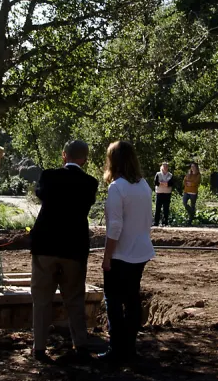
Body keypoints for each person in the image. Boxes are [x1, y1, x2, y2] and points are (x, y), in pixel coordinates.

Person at [26, 139, 100, 364]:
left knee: (41, 299)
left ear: (63, 155)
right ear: (85, 159)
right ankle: (81, 345)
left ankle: (39, 348)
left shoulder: (49, 176)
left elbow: (41, 194)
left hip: (46, 245)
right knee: (75, 299)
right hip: (74, 248)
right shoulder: (90, 183)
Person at [100, 140, 154, 365]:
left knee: (113, 301)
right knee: (132, 301)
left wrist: (106, 256)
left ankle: (116, 349)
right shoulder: (144, 185)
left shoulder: (117, 187)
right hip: (141, 251)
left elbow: (115, 226)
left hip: (121, 253)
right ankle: (130, 349)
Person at [153, 161, 174, 226]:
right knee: (158, 208)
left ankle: (165, 222)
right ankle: (156, 222)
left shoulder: (170, 175)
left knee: (166, 208)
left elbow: (171, 183)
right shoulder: (158, 174)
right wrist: (162, 183)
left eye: (166, 166)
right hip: (159, 192)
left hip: (167, 193)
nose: (165, 168)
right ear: (162, 167)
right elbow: (156, 182)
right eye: (164, 166)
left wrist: (164, 184)